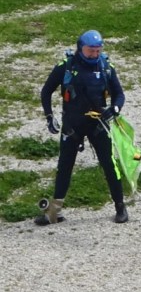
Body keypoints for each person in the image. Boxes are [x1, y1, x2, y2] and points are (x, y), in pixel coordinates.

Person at [36, 30, 129, 226]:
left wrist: (114, 109)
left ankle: (120, 207)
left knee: (110, 165)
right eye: (90, 51)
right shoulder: (66, 66)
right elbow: (46, 92)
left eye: (98, 50)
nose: (94, 54)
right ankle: (54, 213)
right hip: (72, 126)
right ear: (80, 48)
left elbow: (119, 94)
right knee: (64, 167)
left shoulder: (106, 67)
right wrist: (49, 117)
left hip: (98, 125)